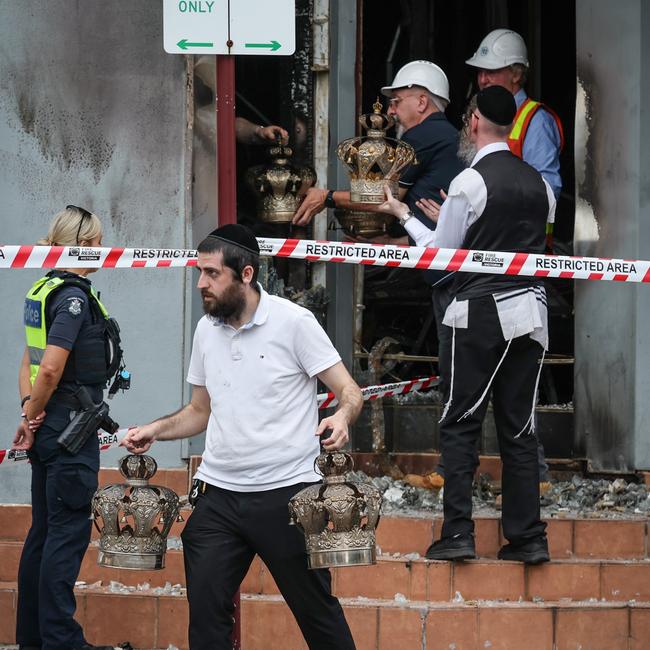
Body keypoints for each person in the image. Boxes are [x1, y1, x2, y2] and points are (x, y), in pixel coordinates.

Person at [121, 224, 363, 650]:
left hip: (287, 494)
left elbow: (349, 389)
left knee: (316, 613)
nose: (201, 283)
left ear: (246, 274)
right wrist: (156, 430)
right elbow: (200, 411)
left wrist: (342, 416)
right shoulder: (205, 331)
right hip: (220, 497)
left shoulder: (294, 323)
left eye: (212, 274)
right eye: (200, 273)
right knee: (207, 618)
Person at [379, 86, 555, 565]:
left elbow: (445, 257)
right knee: (520, 428)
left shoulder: (469, 182)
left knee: (461, 422)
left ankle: (458, 532)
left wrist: (403, 217)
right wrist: (419, 224)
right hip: (532, 312)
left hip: (478, 314)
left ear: (474, 121)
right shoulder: (539, 185)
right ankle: (528, 538)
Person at [12, 206, 124, 650]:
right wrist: (35, 412)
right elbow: (52, 366)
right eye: (98, 240)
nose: (103, 248)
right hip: (70, 432)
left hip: (50, 427)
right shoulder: (74, 297)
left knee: (43, 533)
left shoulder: (43, 288)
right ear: (85, 244)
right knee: (66, 534)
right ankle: (60, 641)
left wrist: (29, 413)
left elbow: (29, 361)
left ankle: (35, 639)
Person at [292, 60, 463, 229]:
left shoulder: (422, 135)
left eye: (396, 101)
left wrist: (327, 197)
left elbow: (384, 197)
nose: (390, 111)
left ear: (422, 102)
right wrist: (389, 242)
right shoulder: (448, 133)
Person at [465, 28, 564, 200]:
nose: (482, 80)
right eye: (480, 72)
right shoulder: (479, 113)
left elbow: (547, 190)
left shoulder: (536, 121)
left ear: (516, 74)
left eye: (491, 71)